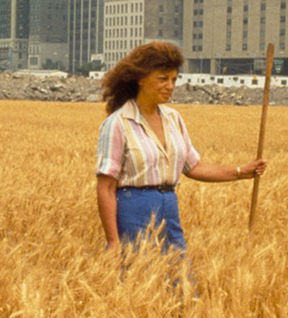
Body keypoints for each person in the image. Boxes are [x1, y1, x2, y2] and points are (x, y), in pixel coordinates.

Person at [95, 41, 267, 257]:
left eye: (174, 79)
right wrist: (112, 241)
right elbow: (106, 187)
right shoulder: (118, 123)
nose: (170, 86)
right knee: (138, 278)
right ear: (140, 78)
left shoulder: (173, 119)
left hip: (169, 208)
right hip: (133, 209)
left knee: (179, 279)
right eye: (163, 78)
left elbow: (193, 167)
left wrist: (242, 172)